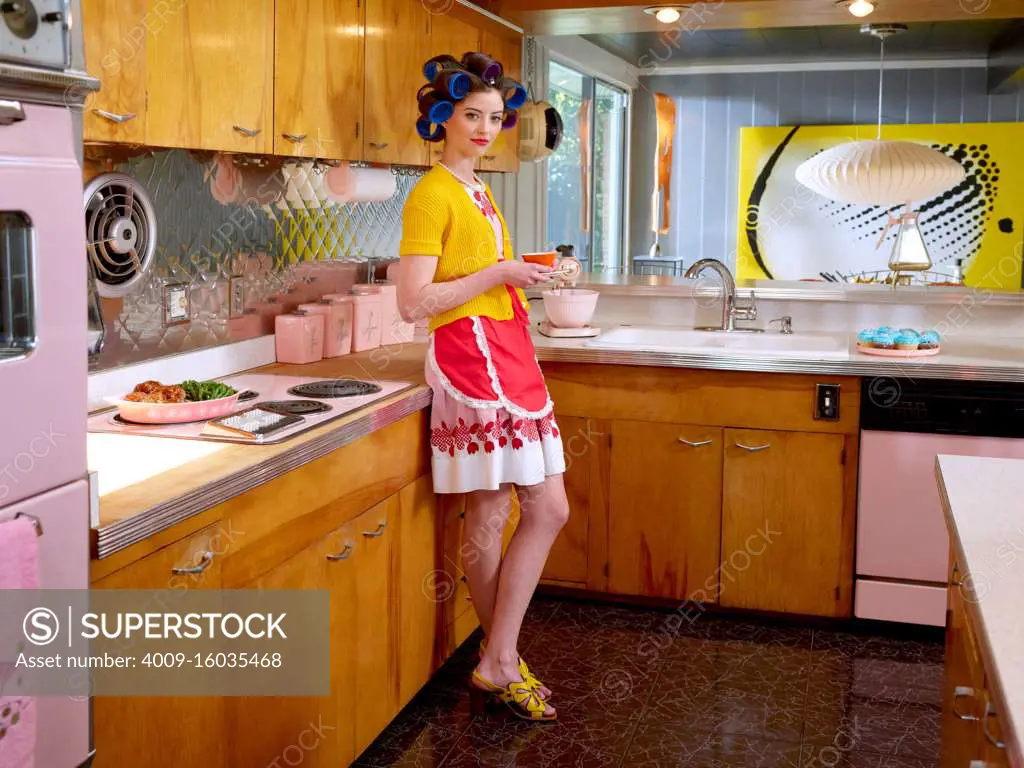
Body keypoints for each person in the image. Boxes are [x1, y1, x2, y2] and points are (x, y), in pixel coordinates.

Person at [396, 51, 569, 722]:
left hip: (506, 349)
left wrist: (517, 273)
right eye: (472, 115)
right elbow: (415, 302)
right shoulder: (430, 192)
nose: (484, 128)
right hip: (470, 358)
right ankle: (500, 662)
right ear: (443, 118)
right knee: (500, 514)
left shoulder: (477, 188)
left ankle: (499, 658)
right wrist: (501, 273)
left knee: (535, 509)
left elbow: (482, 270)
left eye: (495, 118)